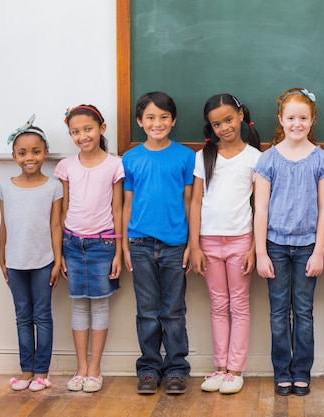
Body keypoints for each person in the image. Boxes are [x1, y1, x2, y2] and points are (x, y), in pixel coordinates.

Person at [254, 88, 324, 396]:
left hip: (306, 249)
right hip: (274, 245)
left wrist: (319, 252)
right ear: (280, 119)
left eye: (303, 118)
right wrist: (261, 252)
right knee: (277, 313)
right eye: (291, 118)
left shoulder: (322, 160)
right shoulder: (268, 160)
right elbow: (260, 208)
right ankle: (281, 372)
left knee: (303, 312)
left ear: (312, 120)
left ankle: (302, 372)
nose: (296, 124)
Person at [122, 91, 195, 395]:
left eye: (164, 116)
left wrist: (192, 244)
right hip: (139, 243)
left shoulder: (185, 156)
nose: (158, 122)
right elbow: (126, 203)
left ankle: (177, 368)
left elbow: (190, 202)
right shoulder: (131, 157)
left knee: (174, 310)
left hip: (175, 244)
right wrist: (124, 246)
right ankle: (149, 368)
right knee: (147, 310)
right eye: (150, 117)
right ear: (140, 122)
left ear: (173, 120)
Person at [189, 94, 261, 395]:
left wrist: (255, 248)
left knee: (239, 305)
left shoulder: (255, 158)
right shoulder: (204, 156)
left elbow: (260, 207)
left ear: (241, 116)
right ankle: (219, 367)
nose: (223, 127)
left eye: (228, 120)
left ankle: (235, 370)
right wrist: (194, 246)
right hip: (208, 242)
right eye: (216, 124)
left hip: (241, 241)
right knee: (218, 305)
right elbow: (195, 202)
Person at [55, 105, 124, 393]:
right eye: (75, 131)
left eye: (88, 129)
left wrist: (119, 252)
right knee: (78, 304)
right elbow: (62, 210)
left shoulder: (114, 165)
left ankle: (95, 368)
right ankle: (80, 368)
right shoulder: (66, 166)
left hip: (103, 243)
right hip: (72, 243)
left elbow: (118, 209)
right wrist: (59, 252)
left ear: (101, 128)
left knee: (99, 304)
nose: (82, 135)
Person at [0, 115, 63, 392]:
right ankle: (26, 369)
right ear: (14, 155)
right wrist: (1, 258)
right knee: (22, 316)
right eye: (23, 152)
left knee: (43, 316)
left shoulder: (53, 186)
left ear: (45, 153)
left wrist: (58, 260)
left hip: (43, 262)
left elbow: (56, 226)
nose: (30, 157)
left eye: (36, 152)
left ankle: (41, 371)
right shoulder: (5, 187)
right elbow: (4, 225)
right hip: (15, 262)